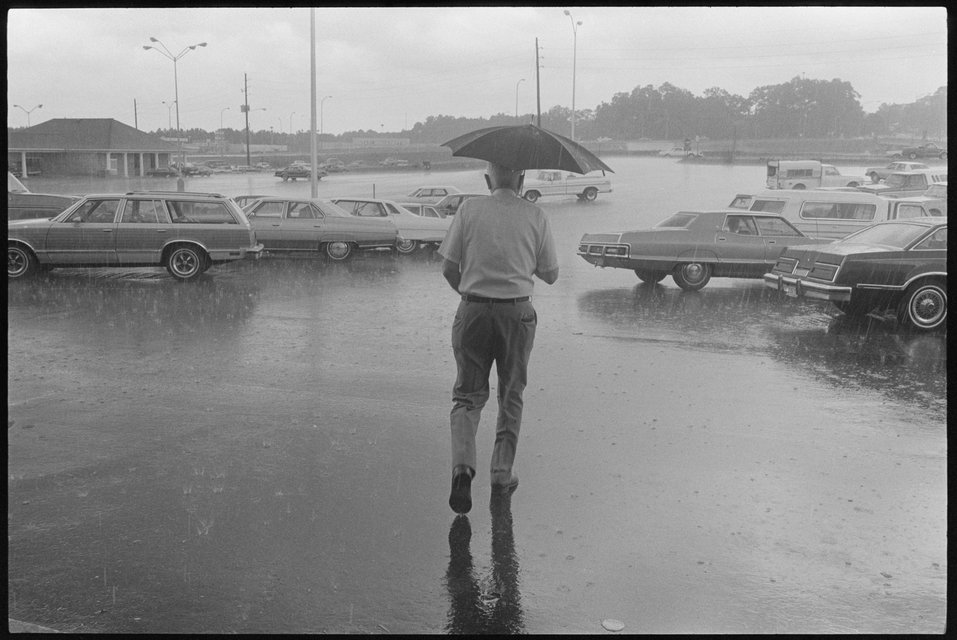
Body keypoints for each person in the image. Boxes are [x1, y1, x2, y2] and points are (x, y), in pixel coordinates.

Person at [437, 161, 559, 514]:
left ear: (488, 179)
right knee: (511, 393)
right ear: (521, 178)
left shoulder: (469, 209)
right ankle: (502, 473)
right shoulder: (535, 215)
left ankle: (463, 467)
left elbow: (448, 266)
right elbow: (551, 274)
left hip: (473, 309)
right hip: (517, 315)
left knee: (467, 395)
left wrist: (473, 294)